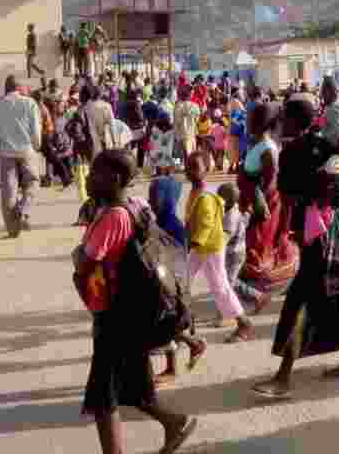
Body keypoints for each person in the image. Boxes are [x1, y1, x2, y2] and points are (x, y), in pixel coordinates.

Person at [73, 149, 199, 454]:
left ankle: (169, 425)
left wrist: (78, 253)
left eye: (95, 174)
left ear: (115, 179)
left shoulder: (114, 216)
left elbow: (84, 262)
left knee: (104, 396)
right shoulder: (136, 203)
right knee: (132, 385)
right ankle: (174, 423)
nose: (88, 179)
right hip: (132, 309)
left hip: (117, 314)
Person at [253, 95, 339, 400]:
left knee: (299, 301)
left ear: (295, 121)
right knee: (328, 297)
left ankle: (283, 376)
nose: (282, 123)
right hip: (329, 228)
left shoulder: (290, 153)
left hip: (311, 234)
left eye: (286, 117)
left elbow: (287, 199)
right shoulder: (326, 146)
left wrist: (281, 237)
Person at [147, 162, 208, 386]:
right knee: (166, 326)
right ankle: (189, 348)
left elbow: (174, 257)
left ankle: (186, 353)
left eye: (156, 198)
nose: (152, 201)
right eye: (151, 197)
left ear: (168, 198)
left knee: (167, 324)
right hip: (164, 282)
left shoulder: (173, 225)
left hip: (172, 285)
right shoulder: (159, 221)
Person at [185, 152, 255, 344]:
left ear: (206, 170)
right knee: (182, 281)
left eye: (194, 167)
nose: (189, 171)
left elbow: (207, 224)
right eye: (187, 166)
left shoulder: (206, 194)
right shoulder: (196, 191)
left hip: (211, 246)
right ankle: (182, 323)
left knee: (220, 286)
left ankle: (244, 324)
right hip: (200, 245)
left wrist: (194, 241)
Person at [235, 102, 297, 312]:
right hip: (254, 201)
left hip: (264, 205)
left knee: (258, 244)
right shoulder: (257, 144)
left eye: (252, 121)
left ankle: (261, 289)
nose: (248, 124)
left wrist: (256, 200)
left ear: (263, 124)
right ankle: (254, 289)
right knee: (252, 244)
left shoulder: (268, 149)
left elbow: (270, 182)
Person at [0, 75, 42, 236]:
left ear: (6, 88)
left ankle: (13, 230)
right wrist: (37, 145)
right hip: (26, 151)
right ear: (19, 87)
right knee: (32, 182)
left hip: (6, 153)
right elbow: (35, 130)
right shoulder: (29, 103)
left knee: (9, 192)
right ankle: (23, 210)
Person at [218, 183, 249, 326]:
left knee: (226, 285)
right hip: (236, 251)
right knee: (229, 280)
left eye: (220, 197)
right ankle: (259, 297)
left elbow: (226, 236)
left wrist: (215, 247)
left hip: (234, 254)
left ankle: (228, 316)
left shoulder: (231, 216)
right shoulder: (233, 210)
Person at [173, 87, 200, 168]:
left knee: (178, 152)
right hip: (191, 132)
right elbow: (197, 119)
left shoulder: (178, 106)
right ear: (189, 96)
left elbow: (176, 121)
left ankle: (179, 166)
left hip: (181, 132)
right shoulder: (195, 106)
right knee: (190, 151)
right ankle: (189, 166)